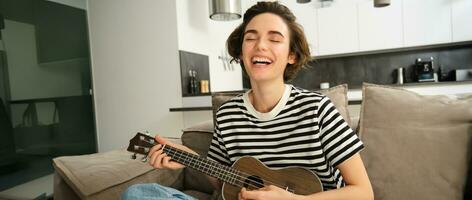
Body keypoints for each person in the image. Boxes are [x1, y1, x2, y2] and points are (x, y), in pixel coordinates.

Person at [122, 1, 373, 200]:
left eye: (274, 39)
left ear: (292, 56)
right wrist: (187, 157)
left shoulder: (319, 110)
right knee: (138, 194)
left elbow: (363, 192)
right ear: (241, 53)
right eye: (250, 38)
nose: (260, 46)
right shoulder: (229, 114)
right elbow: (223, 182)